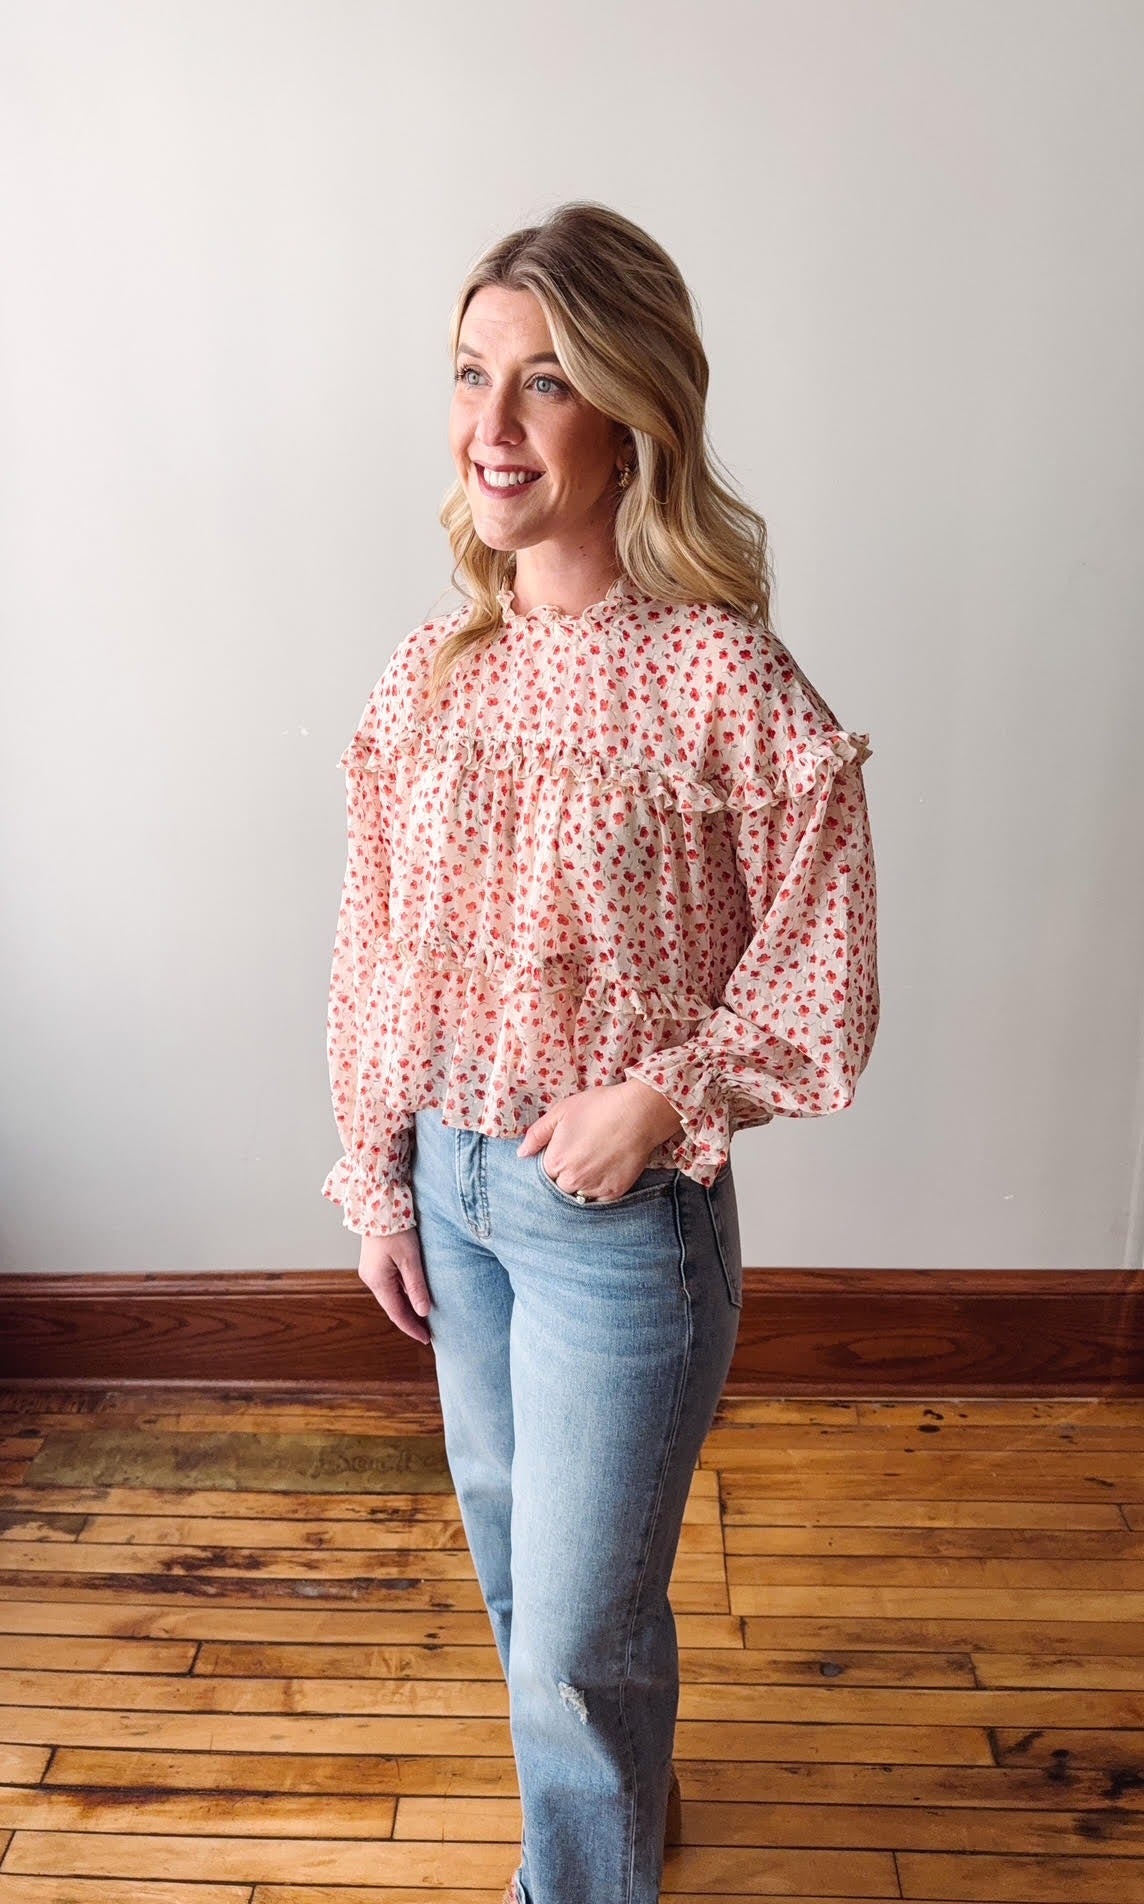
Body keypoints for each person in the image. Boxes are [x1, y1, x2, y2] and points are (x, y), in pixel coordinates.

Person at [321, 201, 879, 1904]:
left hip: (613, 1231)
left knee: (575, 1629)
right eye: (473, 373)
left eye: (545, 381)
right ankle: (614, 1825)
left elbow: (825, 959)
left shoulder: (722, 676)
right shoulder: (435, 669)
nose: (491, 428)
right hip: (452, 1184)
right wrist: (378, 1176)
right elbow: (373, 940)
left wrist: (664, 1097)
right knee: (523, 1589)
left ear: (632, 412)